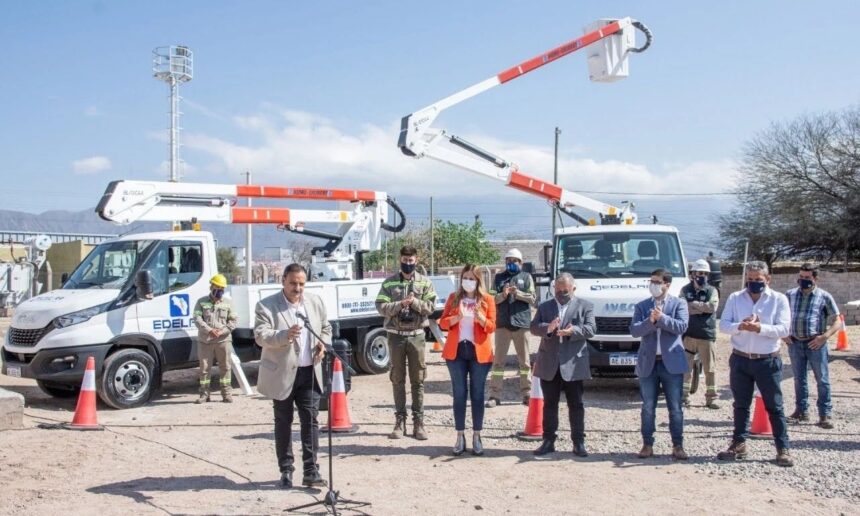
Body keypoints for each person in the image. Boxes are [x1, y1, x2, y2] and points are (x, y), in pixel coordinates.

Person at [254, 264, 329, 489]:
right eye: (293, 283)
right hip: (282, 374)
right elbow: (261, 335)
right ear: (283, 281)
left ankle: (311, 470)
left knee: (310, 422)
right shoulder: (266, 306)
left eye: (302, 284)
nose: (298, 288)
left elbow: (326, 328)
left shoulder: (314, 302)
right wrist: (284, 336)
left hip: (309, 371)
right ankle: (286, 470)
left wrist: (322, 344)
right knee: (283, 422)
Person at [717, 261, 793, 467]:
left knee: (774, 406)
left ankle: (782, 448)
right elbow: (723, 325)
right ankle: (739, 443)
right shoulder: (735, 298)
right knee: (740, 404)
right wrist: (740, 326)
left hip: (767, 360)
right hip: (741, 358)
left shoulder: (779, 299)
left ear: (767, 279)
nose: (753, 283)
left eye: (758, 280)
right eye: (749, 279)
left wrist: (760, 328)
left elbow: (784, 329)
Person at [375, 246, 437, 440]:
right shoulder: (389, 282)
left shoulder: (425, 283)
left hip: (417, 336)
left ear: (416, 261)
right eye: (404, 260)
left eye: (411, 261)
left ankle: (418, 422)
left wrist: (414, 303)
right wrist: (400, 304)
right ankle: (399, 421)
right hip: (396, 336)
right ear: (400, 260)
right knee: (398, 379)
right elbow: (381, 306)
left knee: (418, 380)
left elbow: (430, 307)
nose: (407, 264)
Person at [531, 273, 595, 458]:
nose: (561, 294)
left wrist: (572, 331)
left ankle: (578, 442)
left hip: (573, 364)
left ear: (573, 289)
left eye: (565, 291)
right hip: (549, 363)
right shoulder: (545, 307)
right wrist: (548, 329)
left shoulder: (585, 306)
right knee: (549, 404)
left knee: (576, 404)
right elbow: (534, 327)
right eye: (558, 291)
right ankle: (548, 440)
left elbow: (591, 329)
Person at [630, 269, 689, 460]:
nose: (653, 285)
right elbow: (635, 330)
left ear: (667, 284)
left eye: (657, 282)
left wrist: (662, 319)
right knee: (648, 406)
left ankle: (678, 445)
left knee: (675, 406)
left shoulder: (679, 304)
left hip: (671, 362)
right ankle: (647, 444)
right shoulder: (641, 306)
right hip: (648, 363)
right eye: (651, 281)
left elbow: (681, 327)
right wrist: (651, 321)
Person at [438, 265, 496, 456]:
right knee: (459, 394)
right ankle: (460, 435)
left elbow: (492, 327)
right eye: (465, 277)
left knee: (478, 395)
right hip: (457, 352)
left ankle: (477, 435)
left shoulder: (487, 300)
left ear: (478, 280)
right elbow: (443, 323)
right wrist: (457, 317)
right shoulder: (454, 298)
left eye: (472, 278)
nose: (468, 281)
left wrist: (481, 320)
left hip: (479, 352)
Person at [784, 263, 841, 429]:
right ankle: (801, 411)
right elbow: (780, 315)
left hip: (815, 343)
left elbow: (837, 320)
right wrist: (784, 334)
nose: (803, 280)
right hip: (794, 343)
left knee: (822, 379)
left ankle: (825, 414)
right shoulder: (790, 295)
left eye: (807, 277)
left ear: (815, 278)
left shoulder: (824, 296)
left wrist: (824, 337)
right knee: (799, 379)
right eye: (801, 277)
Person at [487, 248, 535, 407]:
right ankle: (495, 395)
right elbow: (491, 299)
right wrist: (504, 294)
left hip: (522, 324)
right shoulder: (499, 278)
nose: (511, 263)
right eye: (509, 260)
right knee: (499, 362)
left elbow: (533, 299)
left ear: (520, 263)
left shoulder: (527, 277)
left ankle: (527, 393)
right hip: (502, 325)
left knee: (524, 363)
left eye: (514, 261)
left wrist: (518, 293)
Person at [680, 259, 720, 409]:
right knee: (686, 368)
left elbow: (712, 307)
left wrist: (694, 304)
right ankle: (684, 397)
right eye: (699, 273)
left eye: (705, 273)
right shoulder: (685, 290)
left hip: (706, 335)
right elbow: (683, 308)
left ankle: (711, 398)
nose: (701, 276)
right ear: (692, 274)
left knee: (710, 369)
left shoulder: (712, 291)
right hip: (689, 335)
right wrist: (700, 307)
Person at [192, 274, 238, 403]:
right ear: (211, 286)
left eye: (222, 288)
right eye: (217, 287)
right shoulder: (201, 302)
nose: (219, 290)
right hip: (205, 341)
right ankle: (204, 394)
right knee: (204, 368)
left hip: (223, 341)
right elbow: (197, 318)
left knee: (225, 367)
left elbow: (233, 321)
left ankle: (226, 393)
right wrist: (209, 330)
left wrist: (221, 331)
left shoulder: (228, 303)